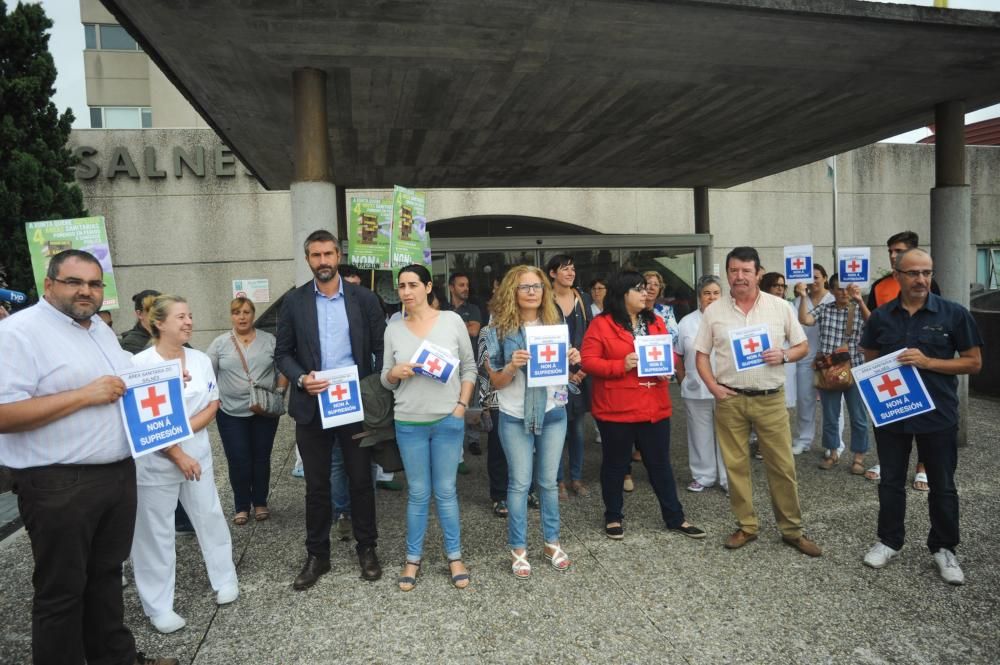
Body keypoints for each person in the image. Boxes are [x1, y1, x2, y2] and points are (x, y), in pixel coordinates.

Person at [0, 249, 178, 665]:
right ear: (49, 285)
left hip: (114, 475)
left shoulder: (95, 327)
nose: (86, 291)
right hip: (58, 483)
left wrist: (164, 375)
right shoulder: (18, 333)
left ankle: (116, 659)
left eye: (95, 284)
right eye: (74, 282)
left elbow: (120, 378)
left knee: (105, 579)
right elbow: (4, 414)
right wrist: (83, 395)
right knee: (61, 593)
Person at [859, 248, 982, 585]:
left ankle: (944, 548)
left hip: (938, 415)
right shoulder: (881, 318)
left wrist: (930, 363)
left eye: (926, 272)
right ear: (897, 276)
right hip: (893, 414)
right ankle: (888, 541)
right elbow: (870, 363)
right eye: (913, 273)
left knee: (942, 486)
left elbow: (973, 362)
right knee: (891, 482)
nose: (921, 279)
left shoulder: (953, 314)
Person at [275, 229, 387, 589]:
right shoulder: (294, 302)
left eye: (328, 254)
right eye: (315, 256)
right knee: (316, 485)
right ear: (308, 259)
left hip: (353, 405)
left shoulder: (364, 299)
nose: (322, 261)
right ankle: (317, 555)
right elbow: (282, 354)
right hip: (312, 404)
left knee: (360, 480)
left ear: (338, 255)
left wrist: (376, 391)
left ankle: (367, 548)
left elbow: (382, 348)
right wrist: (301, 378)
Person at [693, 246, 822, 557]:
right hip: (731, 400)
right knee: (736, 466)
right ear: (727, 274)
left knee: (782, 466)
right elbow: (701, 356)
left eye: (746, 271)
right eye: (734, 271)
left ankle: (792, 530)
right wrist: (713, 386)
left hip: (770, 400)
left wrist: (785, 354)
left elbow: (802, 346)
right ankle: (746, 526)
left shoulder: (779, 307)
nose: (739, 277)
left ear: (758, 273)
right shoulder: (714, 312)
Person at [130, 295, 239, 633]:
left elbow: (212, 403)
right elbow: (142, 422)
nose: (189, 322)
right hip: (155, 465)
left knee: (209, 517)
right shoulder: (139, 365)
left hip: (198, 459)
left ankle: (225, 579)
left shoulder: (200, 359)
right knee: (155, 534)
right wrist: (175, 451)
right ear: (158, 323)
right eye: (181, 317)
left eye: (190, 316)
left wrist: (180, 430)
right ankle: (158, 606)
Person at [582, 271, 705, 541]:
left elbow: (669, 353)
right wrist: (619, 365)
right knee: (615, 465)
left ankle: (676, 517)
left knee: (660, 464)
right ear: (622, 293)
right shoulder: (601, 325)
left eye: (645, 289)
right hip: (617, 408)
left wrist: (668, 366)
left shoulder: (656, 321)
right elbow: (588, 361)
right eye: (638, 289)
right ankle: (613, 516)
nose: (645, 293)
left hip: (654, 406)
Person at [382, 264, 477, 590]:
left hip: (448, 420)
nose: (405, 292)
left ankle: (455, 557)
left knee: (447, 492)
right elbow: (385, 378)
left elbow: (469, 366)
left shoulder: (451, 321)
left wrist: (461, 406)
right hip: (409, 421)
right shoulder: (393, 328)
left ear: (427, 287)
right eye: (401, 286)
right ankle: (412, 560)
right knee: (419, 493)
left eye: (412, 285)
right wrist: (396, 372)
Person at [484, 265, 577, 578]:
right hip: (514, 414)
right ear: (513, 290)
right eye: (525, 287)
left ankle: (552, 542)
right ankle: (519, 548)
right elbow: (495, 381)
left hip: (553, 411)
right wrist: (512, 365)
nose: (532, 291)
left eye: (537, 286)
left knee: (549, 482)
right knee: (520, 483)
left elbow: (561, 370)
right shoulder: (495, 328)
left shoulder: (555, 321)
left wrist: (571, 358)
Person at [865, 231, 941, 489]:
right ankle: (885, 461)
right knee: (887, 419)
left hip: (921, 366)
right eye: (890, 252)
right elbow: (873, 324)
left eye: (898, 251)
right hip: (889, 369)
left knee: (923, 420)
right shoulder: (880, 286)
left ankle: (922, 466)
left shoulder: (928, 283)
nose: (893, 256)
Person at [207, 297, 287, 525]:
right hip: (231, 413)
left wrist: (280, 392)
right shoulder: (220, 344)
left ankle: (260, 502)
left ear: (253, 314)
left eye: (246, 312)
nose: (241, 317)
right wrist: (213, 400)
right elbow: (208, 375)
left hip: (264, 410)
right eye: (236, 312)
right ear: (231, 316)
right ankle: (241, 505)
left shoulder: (269, 340)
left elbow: (282, 369)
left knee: (261, 458)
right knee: (239, 458)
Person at [796, 276, 871, 473]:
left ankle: (859, 458)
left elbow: (873, 323)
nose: (843, 292)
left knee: (859, 416)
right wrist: (803, 296)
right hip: (828, 371)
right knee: (830, 415)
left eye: (846, 289)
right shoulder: (825, 309)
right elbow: (805, 319)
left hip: (855, 369)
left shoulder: (858, 309)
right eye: (838, 289)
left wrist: (861, 300)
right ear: (832, 290)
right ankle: (832, 452)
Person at [547, 254, 593, 499]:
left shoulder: (582, 299)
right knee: (555, 428)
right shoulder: (545, 300)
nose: (570, 273)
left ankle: (575, 477)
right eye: (565, 269)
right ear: (553, 273)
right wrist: (563, 372)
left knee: (576, 429)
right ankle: (557, 481)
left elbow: (592, 335)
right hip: (554, 374)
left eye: (573, 268)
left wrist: (584, 368)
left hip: (581, 373)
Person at [676, 275, 728, 494]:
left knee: (728, 436)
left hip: (727, 388)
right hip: (695, 388)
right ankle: (703, 476)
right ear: (699, 297)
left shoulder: (731, 319)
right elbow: (677, 355)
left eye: (716, 293)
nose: (712, 297)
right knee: (699, 434)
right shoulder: (686, 322)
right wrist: (683, 380)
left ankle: (728, 479)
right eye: (707, 293)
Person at [790, 265, 837, 455]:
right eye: (810, 278)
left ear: (825, 278)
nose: (813, 281)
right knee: (805, 400)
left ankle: (835, 444)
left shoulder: (834, 299)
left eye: (817, 277)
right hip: (805, 357)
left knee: (832, 404)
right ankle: (803, 439)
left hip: (830, 358)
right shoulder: (797, 301)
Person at [119, 288, 161, 353]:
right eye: (153, 311)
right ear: (139, 314)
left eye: (162, 311)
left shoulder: (166, 334)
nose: (159, 315)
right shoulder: (130, 344)